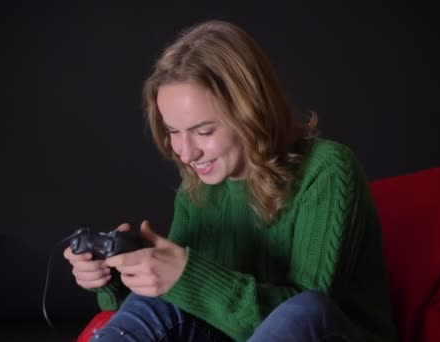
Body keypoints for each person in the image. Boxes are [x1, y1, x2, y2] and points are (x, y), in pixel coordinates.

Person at [64, 19, 398, 342]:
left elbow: (305, 319)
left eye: (203, 131)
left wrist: (186, 276)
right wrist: (111, 279)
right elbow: (174, 309)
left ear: (251, 112)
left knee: (304, 309)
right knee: (157, 298)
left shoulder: (327, 170)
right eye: (172, 132)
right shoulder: (197, 187)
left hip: (326, 333)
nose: (185, 153)